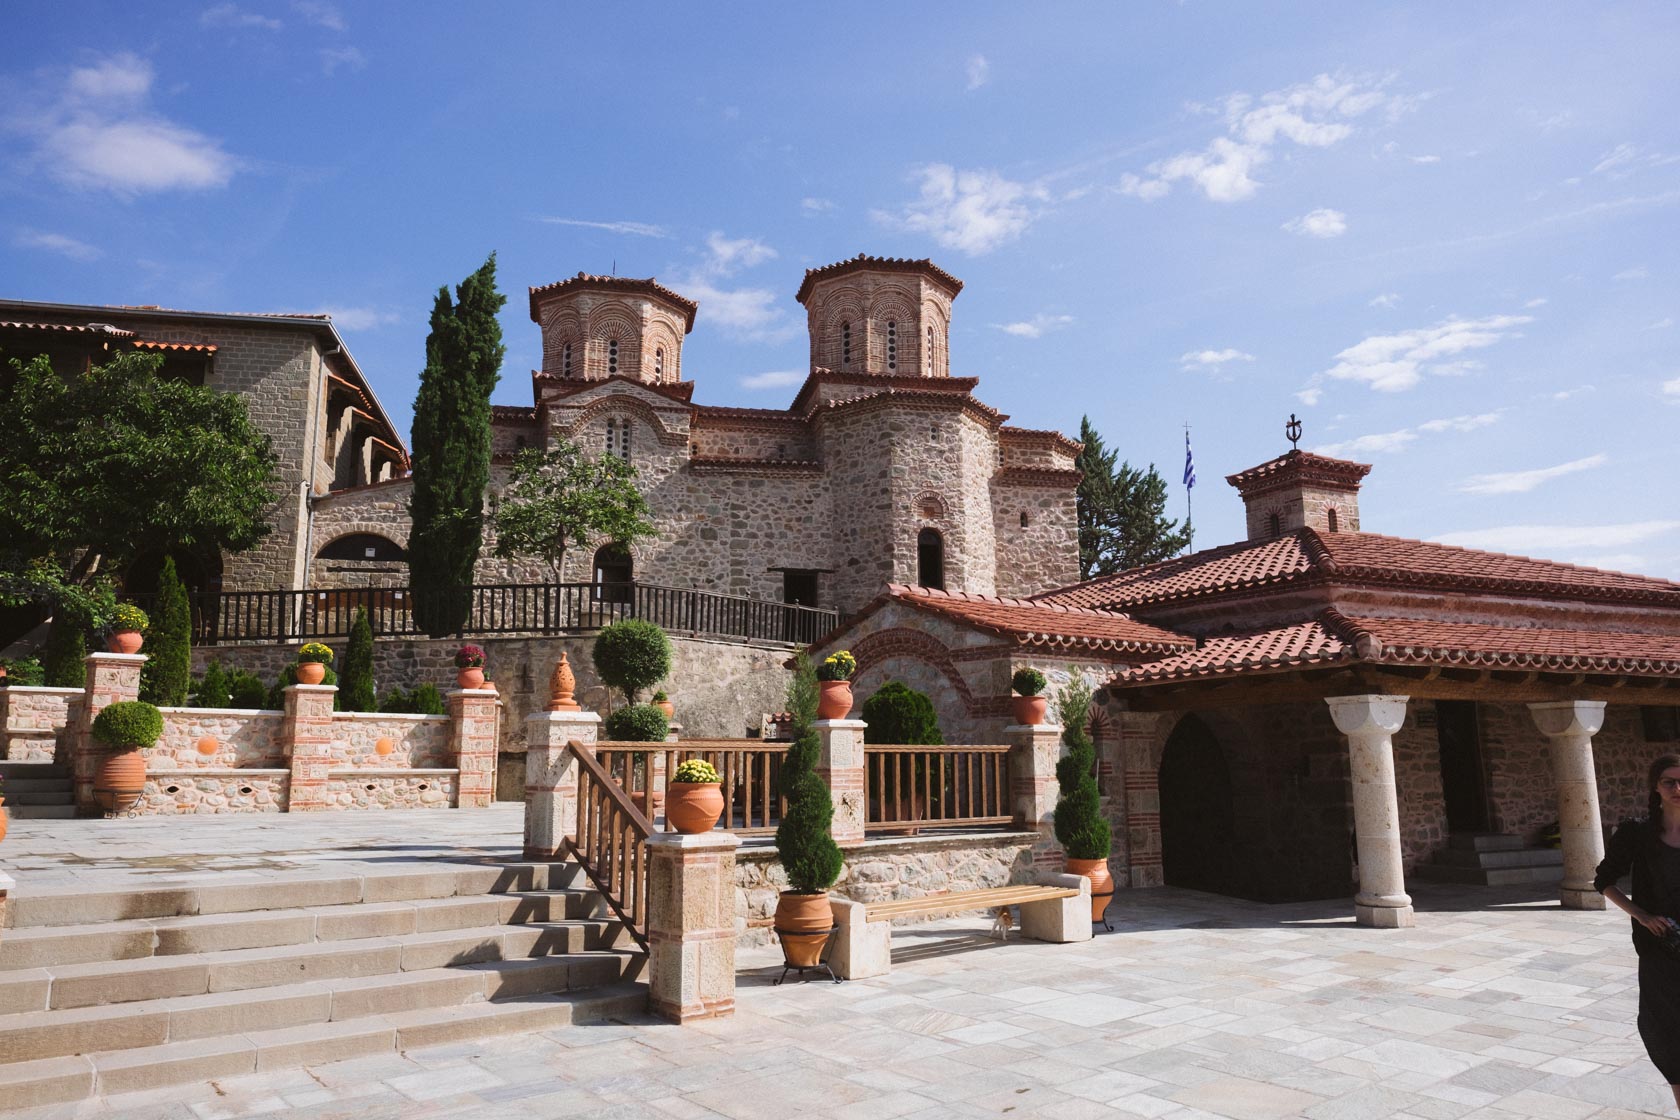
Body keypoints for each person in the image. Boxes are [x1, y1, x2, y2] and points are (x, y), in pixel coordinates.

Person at [1596, 751, 1680, 1110]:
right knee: (1665, 1029)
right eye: (1669, 782)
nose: (1678, 788)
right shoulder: (1637, 833)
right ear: (1655, 787)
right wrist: (1643, 916)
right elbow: (1604, 881)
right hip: (1660, 948)